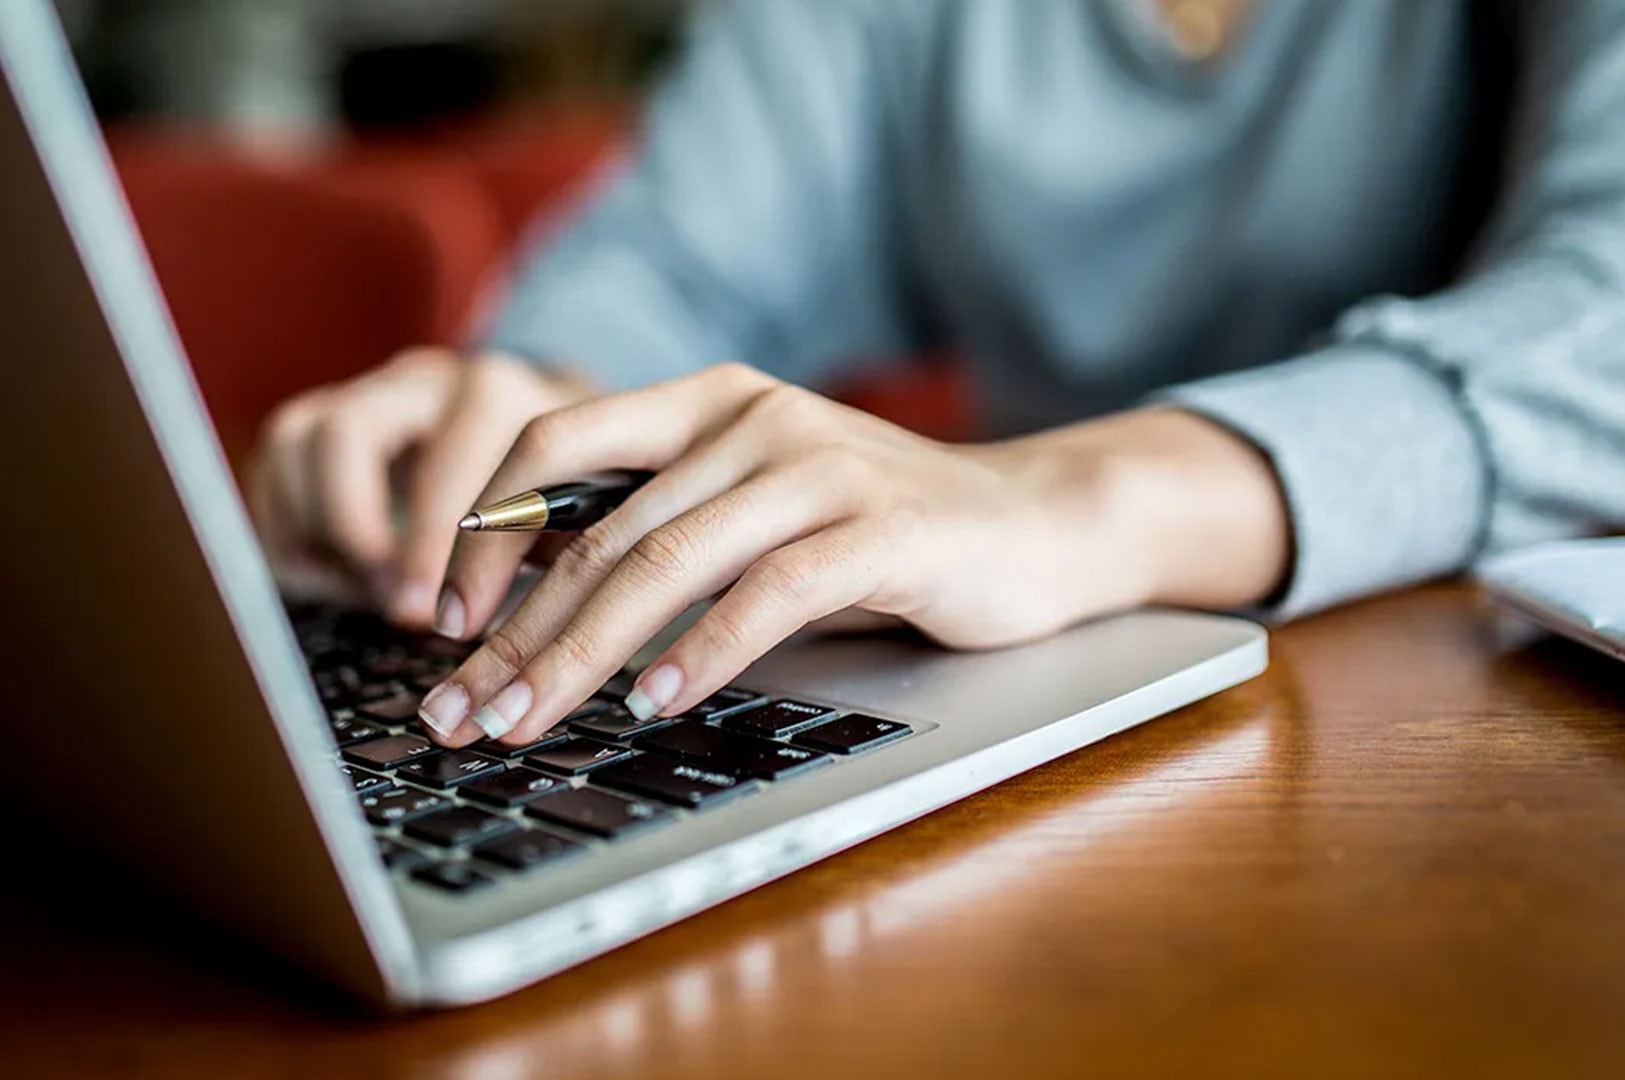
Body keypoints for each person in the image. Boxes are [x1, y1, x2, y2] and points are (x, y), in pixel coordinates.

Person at [250, 0, 1625, 748]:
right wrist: (536, 404)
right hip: (1007, 689)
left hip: (1458, 702)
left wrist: (1070, 501)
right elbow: (671, 259)